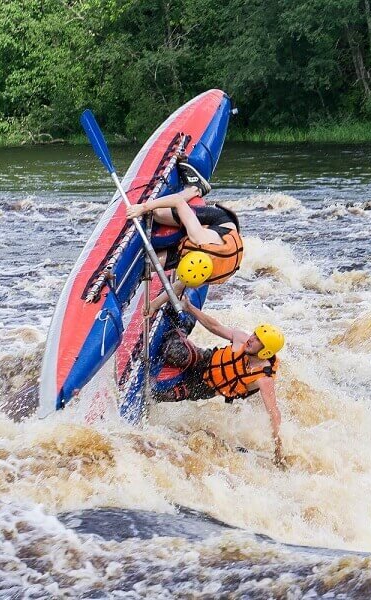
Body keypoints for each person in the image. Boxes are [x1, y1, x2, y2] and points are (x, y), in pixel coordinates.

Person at [154, 296, 287, 467]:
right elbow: (214, 326)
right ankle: (181, 327)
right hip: (207, 360)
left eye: (258, 341)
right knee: (173, 351)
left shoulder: (263, 379)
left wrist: (278, 447)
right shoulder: (242, 339)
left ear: (265, 352)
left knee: (159, 395)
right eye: (255, 334)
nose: (252, 339)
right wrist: (189, 308)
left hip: (206, 387)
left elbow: (273, 413)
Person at [126, 161, 243, 296]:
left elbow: (178, 286)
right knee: (157, 213)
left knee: (148, 265)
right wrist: (144, 207)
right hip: (219, 222)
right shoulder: (198, 237)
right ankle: (196, 189)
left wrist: (153, 305)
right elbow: (178, 202)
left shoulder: (207, 274)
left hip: (214, 251)